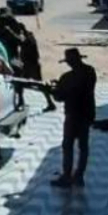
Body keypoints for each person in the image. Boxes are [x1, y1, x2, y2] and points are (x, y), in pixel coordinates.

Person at [47, 48, 96, 188]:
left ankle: (67, 176)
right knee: (83, 146)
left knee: (67, 145)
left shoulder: (67, 77)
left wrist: (54, 90)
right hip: (87, 113)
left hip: (73, 115)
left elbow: (60, 97)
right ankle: (79, 176)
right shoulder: (90, 71)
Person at [21, 30, 56, 112]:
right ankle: (21, 102)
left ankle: (50, 103)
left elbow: (29, 54)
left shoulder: (28, 41)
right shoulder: (30, 39)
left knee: (39, 85)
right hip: (30, 66)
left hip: (31, 66)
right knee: (21, 84)